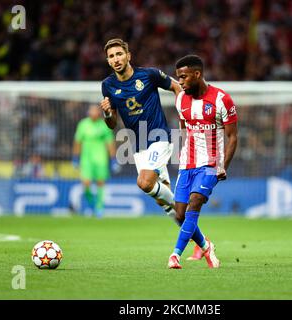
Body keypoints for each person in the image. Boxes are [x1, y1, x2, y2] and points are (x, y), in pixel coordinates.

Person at [100, 38, 183, 221]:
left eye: (119, 54)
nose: (116, 59)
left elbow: (177, 87)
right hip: (138, 146)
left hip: (159, 137)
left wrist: (183, 116)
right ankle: (203, 244)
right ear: (108, 61)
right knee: (164, 203)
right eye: (111, 56)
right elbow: (112, 124)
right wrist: (107, 113)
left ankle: (183, 207)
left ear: (128, 56)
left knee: (145, 183)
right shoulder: (108, 85)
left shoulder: (149, 75)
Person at [167, 55, 238, 269]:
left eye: (183, 77)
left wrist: (222, 165)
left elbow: (233, 137)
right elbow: (183, 128)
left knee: (195, 200)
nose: (180, 82)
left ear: (197, 74)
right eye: (178, 77)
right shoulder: (180, 100)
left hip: (211, 163)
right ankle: (206, 246)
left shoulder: (221, 99)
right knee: (179, 214)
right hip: (188, 163)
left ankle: (175, 255)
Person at [72, 104, 119, 217]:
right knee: (86, 183)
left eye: (95, 111)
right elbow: (77, 142)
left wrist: (113, 159)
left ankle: (99, 208)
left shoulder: (104, 125)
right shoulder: (83, 124)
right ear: (88, 112)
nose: (93, 113)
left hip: (101, 159)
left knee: (100, 183)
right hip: (86, 159)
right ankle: (92, 205)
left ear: (99, 113)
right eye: (91, 111)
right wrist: (75, 158)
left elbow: (110, 143)